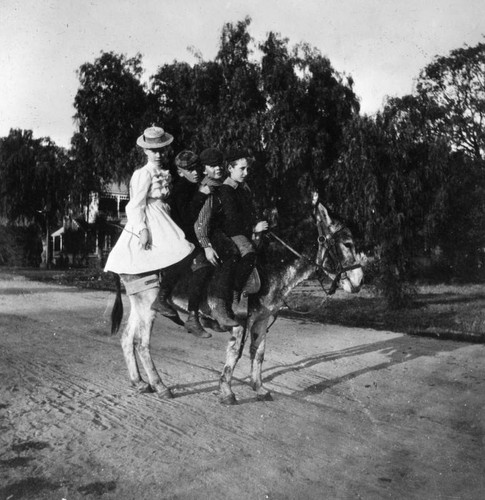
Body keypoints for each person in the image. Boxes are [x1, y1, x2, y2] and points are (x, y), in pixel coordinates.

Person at [104, 126, 194, 321]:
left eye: (162, 150)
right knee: (182, 249)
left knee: (183, 250)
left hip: (165, 215)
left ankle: (174, 297)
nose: (158, 154)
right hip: (151, 217)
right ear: (145, 151)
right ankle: (161, 298)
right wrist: (142, 229)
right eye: (153, 150)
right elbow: (134, 205)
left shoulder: (164, 172)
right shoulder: (142, 173)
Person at [195, 149, 268, 328]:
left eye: (247, 169)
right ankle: (233, 294)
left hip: (237, 231)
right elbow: (232, 220)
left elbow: (248, 212)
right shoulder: (226, 190)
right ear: (230, 168)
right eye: (242, 169)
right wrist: (254, 228)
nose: (246, 173)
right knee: (247, 254)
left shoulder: (242, 188)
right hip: (229, 233)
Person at [169, 150, 213, 338]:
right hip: (182, 237)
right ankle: (193, 317)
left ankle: (208, 312)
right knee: (202, 267)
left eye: (196, 168)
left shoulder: (194, 185)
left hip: (192, 235)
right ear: (180, 172)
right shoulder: (181, 189)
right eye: (189, 169)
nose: (195, 172)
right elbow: (187, 218)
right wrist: (201, 196)